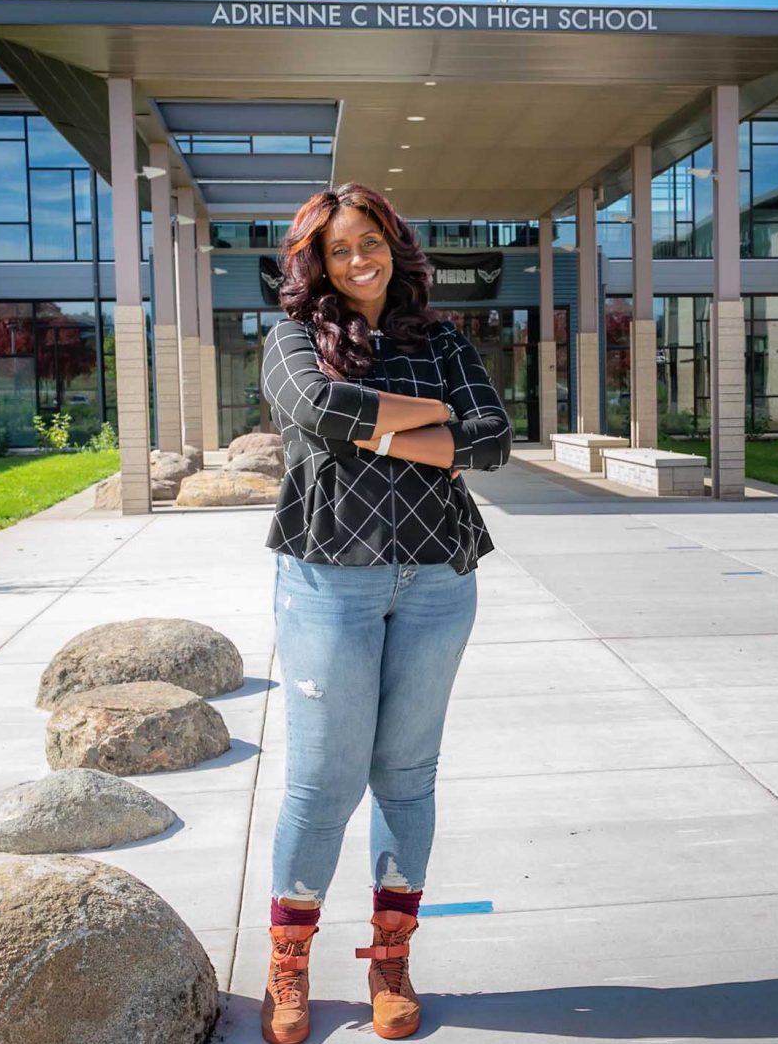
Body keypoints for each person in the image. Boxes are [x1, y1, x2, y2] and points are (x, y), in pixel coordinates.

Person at [257, 183, 512, 1043]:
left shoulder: (440, 337)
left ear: (394, 246)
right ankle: (287, 968)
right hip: (331, 581)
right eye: (339, 248)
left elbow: (493, 440)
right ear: (316, 263)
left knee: (406, 777)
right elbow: (320, 408)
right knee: (322, 782)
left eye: (370, 241)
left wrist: (388, 428)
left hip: (440, 579)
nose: (358, 258)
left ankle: (391, 961)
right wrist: (431, 416)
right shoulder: (292, 337)